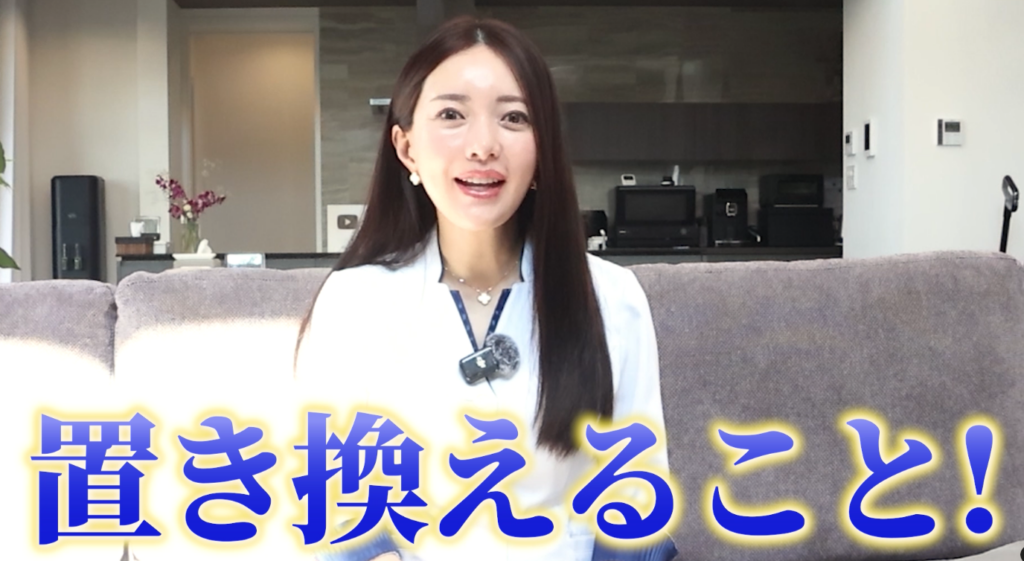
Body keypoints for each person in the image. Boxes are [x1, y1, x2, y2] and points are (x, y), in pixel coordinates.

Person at [295, 15, 676, 561]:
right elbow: (336, 510)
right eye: (452, 114)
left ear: (543, 150)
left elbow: (637, 507)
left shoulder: (612, 297)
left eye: (514, 117)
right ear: (406, 147)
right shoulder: (354, 302)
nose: (483, 146)